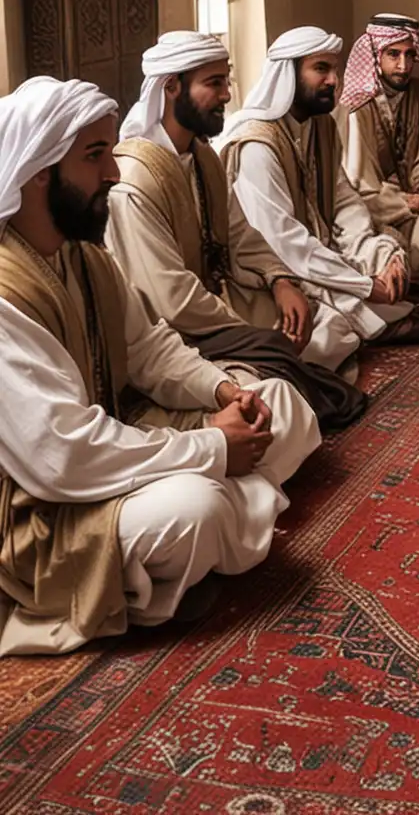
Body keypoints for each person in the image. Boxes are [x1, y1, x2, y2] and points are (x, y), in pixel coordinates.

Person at [0, 76, 321, 655]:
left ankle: (212, 533)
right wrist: (212, 449)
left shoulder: (83, 256)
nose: (115, 175)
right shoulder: (5, 293)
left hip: (116, 437)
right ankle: (208, 533)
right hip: (44, 505)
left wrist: (222, 391)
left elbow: (149, 349)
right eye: (96, 156)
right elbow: (63, 456)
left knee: (281, 403)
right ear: (39, 169)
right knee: (191, 510)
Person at [107, 32, 366, 429]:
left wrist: (281, 281)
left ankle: (274, 368)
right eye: (214, 83)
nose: (228, 94)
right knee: (284, 371)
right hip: (176, 332)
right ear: (171, 87)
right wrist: (249, 333)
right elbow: (171, 298)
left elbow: (241, 236)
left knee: (328, 325)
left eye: (226, 81)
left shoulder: (202, 157)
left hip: (218, 302)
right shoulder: (134, 182)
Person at [218, 27, 419, 363]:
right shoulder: (257, 146)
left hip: (319, 252)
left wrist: (372, 253)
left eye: (334, 69)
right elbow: (284, 243)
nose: (334, 80)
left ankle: (371, 316)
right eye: (321, 69)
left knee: (388, 256)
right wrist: (366, 286)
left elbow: (344, 202)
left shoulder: (320, 126)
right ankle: (368, 324)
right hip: (274, 271)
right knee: (333, 331)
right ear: (288, 74)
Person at [340, 14, 419, 286]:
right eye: (393, 54)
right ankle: (384, 270)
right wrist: (405, 203)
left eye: (410, 55)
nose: (403, 66)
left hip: (416, 203)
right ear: (375, 55)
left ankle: (391, 274)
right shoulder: (357, 107)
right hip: (374, 214)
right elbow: (359, 190)